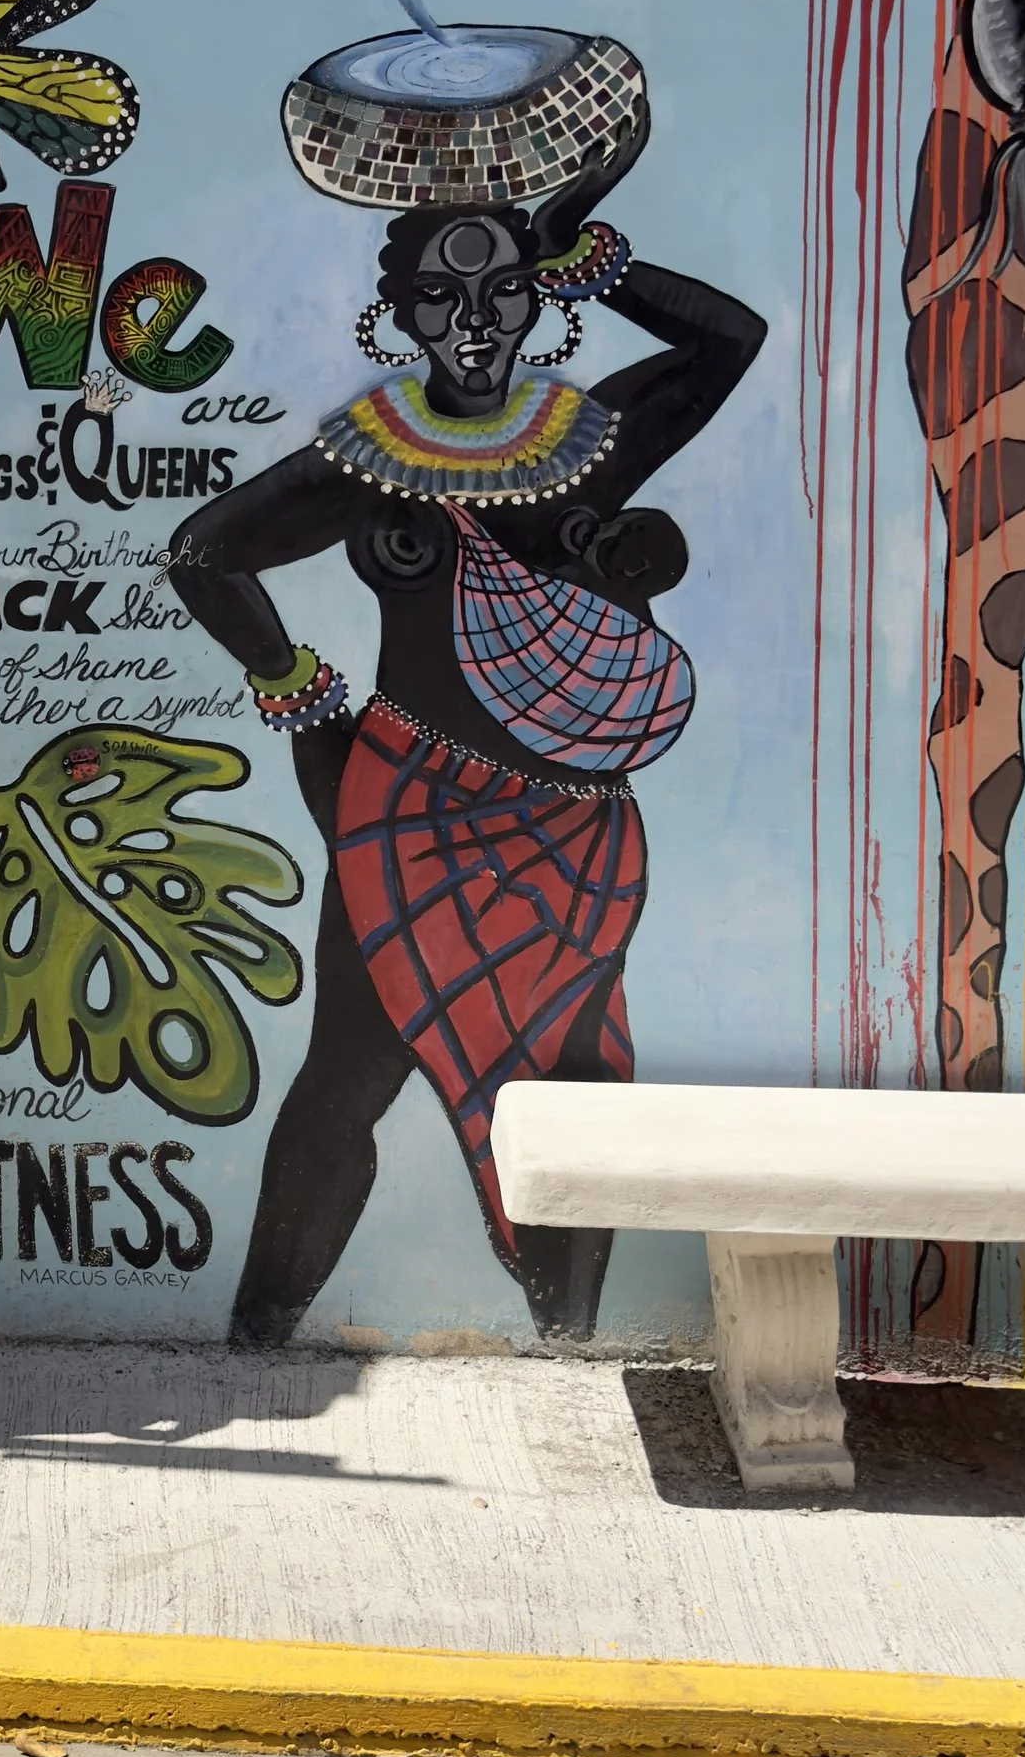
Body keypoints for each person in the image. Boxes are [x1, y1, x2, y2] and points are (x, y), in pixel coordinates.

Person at [171, 175, 763, 1342]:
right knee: (349, 1072)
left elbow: (727, 340)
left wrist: (593, 256)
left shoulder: (586, 443)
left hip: (572, 828)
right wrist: (293, 688)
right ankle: (254, 1338)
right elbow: (205, 553)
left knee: (579, 1079)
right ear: (402, 314)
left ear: (535, 300)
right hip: (409, 809)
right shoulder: (374, 456)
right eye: (443, 298)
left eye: (500, 290)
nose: (477, 320)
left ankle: (567, 1344)